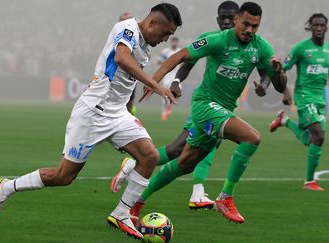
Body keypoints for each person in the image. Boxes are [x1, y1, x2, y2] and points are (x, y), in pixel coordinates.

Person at [0, 3, 182, 240]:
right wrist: (153, 84)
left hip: (118, 113)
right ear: (152, 23)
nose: (165, 39)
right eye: (165, 33)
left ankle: (121, 212)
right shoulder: (127, 28)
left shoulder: (145, 44)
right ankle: (8, 186)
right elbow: (121, 57)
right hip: (93, 113)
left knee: (149, 156)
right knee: (63, 176)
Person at [110, 0, 278, 212]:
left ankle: (138, 198)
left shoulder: (259, 46)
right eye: (243, 23)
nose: (249, 29)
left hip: (224, 109)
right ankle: (219, 196)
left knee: (184, 159)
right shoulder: (214, 40)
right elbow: (183, 58)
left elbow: (272, 79)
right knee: (251, 137)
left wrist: (273, 77)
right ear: (231, 20)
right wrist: (162, 81)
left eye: (254, 26)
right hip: (206, 106)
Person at [269, 13, 329, 191]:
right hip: (304, 96)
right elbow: (281, 70)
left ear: (326, 28)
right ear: (310, 27)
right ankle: (309, 182)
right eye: (316, 25)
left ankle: (285, 121)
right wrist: (285, 91)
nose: (319, 28)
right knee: (319, 135)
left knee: (313, 140)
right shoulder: (300, 48)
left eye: (322, 25)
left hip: (320, 99)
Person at [118, 12, 139, 116]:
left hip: (130, 75)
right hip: (115, 75)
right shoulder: (115, 36)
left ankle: (129, 118)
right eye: (123, 21)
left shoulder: (136, 37)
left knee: (129, 101)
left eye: (129, 20)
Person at [158, 36, 181, 120]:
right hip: (167, 75)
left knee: (178, 92)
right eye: (173, 42)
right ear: (171, 42)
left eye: (176, 42)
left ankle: (169, 106)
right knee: (165, 93)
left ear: (177, 43)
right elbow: (159, 61)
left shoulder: (179, 51)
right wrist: (168, 63)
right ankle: (164, 113)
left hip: (177, 75)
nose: (174, 43)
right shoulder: (166, 51)